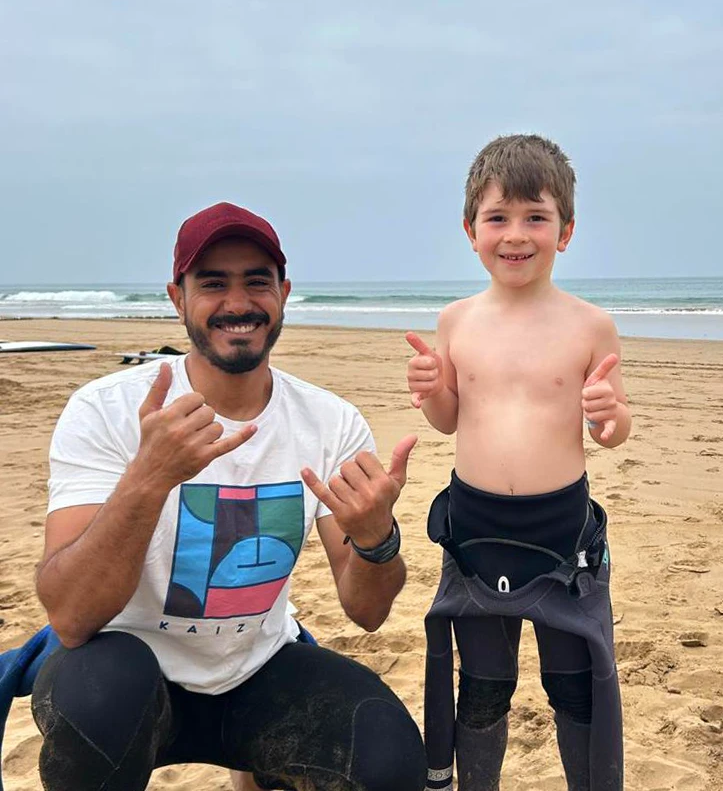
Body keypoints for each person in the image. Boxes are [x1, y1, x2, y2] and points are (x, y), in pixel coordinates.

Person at [31, 201, 427, 791]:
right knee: (101, 701)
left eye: (256, 282)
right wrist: (149, 478)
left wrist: (376, 540)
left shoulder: (329, 422)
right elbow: (69, 615)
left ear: (284, 294)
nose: (238, 303)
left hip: (256, 667)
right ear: (177, 298)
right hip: (123, 668)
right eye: (213, 283)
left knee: (389, 756)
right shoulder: (107, 410)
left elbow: (367, 613)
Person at [406, 135, 631, 791]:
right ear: (469, 229)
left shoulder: (591, 326)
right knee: (482, 690)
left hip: (560, 536)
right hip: (475, 532)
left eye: (536, 216)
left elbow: (616, 430)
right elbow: (450, 420)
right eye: (497, 217)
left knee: (574, 688)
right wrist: (431, 393)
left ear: (566, 232)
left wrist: (606, 414)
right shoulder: (457, 321)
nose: (515, 234)